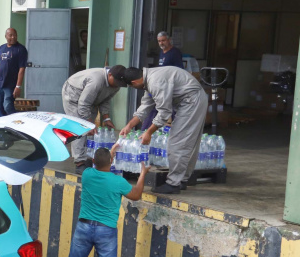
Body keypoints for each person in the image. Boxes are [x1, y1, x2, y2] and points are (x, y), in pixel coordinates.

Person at [60, 146, 149, 257]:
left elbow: (100, 163)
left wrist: (111, 150)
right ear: (112, 162)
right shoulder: (118, 182)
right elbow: (137, 194)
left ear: (93, 162)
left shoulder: (87, 174)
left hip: (83, 227)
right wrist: (143, 173)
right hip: (106, 230)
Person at [118, 66, 209, 194]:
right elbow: (145, 107)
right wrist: (129, 125)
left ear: (134, 83)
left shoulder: (155, 82)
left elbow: (164, 113)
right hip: (191, 100)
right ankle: (181, 179)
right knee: (187, 143)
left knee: (177, 142)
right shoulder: (149, 80)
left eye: (132, 87)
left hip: (191, 101)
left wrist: (149, 132)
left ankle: (173, 183)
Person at [61, 65, 130, 173]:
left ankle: (87, 157)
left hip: (90, 99)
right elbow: (83, 104)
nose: (117, 86)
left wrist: (106, 119)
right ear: (110, 75)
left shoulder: (116, 85)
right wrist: (89, 123)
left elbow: (105, 100)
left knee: (92, 130)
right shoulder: (96, 81)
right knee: (80, 127)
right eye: (116, 82)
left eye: (120, 84)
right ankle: (79, 162)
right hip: (74, 95)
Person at [141, 31, 184, 130]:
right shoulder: (161, 52)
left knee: (171, 110)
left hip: (170, 86)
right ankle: (145, 131)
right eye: (159, 41)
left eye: (163, 40)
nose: (161, 43)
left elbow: (179, 71)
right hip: (161, 85)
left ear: (169, 40)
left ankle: (175, 132)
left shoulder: (175, 53)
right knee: (154, 108)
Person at [0, 28, 27, 115]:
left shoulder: (20, 49)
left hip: (11, 85)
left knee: (7, 106)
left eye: (15, 35)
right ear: (6, 36)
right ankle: (3, 126)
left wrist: (18, 86)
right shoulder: (1, 48)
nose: (13, 37)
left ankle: (16, 121)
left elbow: (22, 69)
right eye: (10, 35)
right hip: (0, 83)